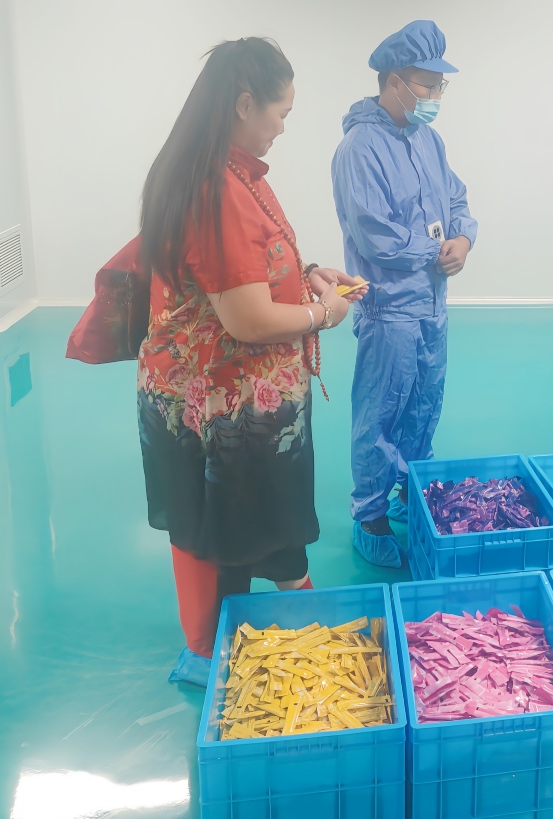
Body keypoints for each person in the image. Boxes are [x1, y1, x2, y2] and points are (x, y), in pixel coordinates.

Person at [136, 37, 367, 686]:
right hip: (221, 405)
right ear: (244, 104)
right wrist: (323, 313)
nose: (283, 127)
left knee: (258, 505)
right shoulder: (218, 191)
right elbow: (247, 318)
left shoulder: (222, 172)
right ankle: (208, 653)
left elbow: (244, 269)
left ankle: (291, 601)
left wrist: (305, 272)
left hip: (222, 396)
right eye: (280, 112)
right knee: (224, 520)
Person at [331, 20, 477, 568]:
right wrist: (434, 250)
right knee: (382, 411)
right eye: (427, 84)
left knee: (423, 404)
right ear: (395, 82)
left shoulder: (427, 139)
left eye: (441, 84)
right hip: (389, 306)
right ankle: (369, 516)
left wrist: (463, 238)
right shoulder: (359, 148)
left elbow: (457, 199)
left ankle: (409, 492)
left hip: (432, 302)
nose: (436, 94)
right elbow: (375, 234)